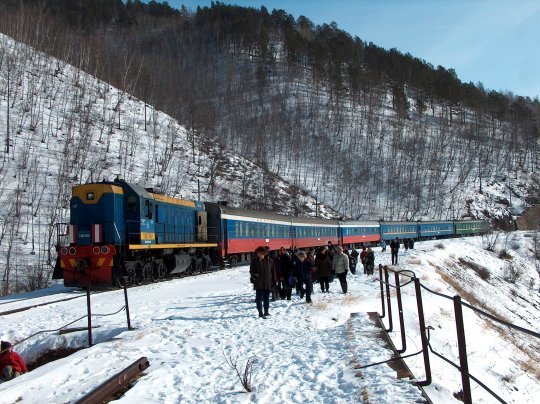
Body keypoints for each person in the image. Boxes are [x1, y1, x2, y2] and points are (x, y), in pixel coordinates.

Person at [249, 246, 277, 318]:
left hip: (267, 282)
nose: (257, 254)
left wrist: (274, 280)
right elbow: (251, 271)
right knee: (259, 299)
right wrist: (254, 274)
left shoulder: (269, 260)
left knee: (266, 298)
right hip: (259, 283)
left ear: (263, 253)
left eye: (259, 253)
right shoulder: (254, 261)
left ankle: (266, 312)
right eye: (257, 253)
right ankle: (260, 312)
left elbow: (273, 271)